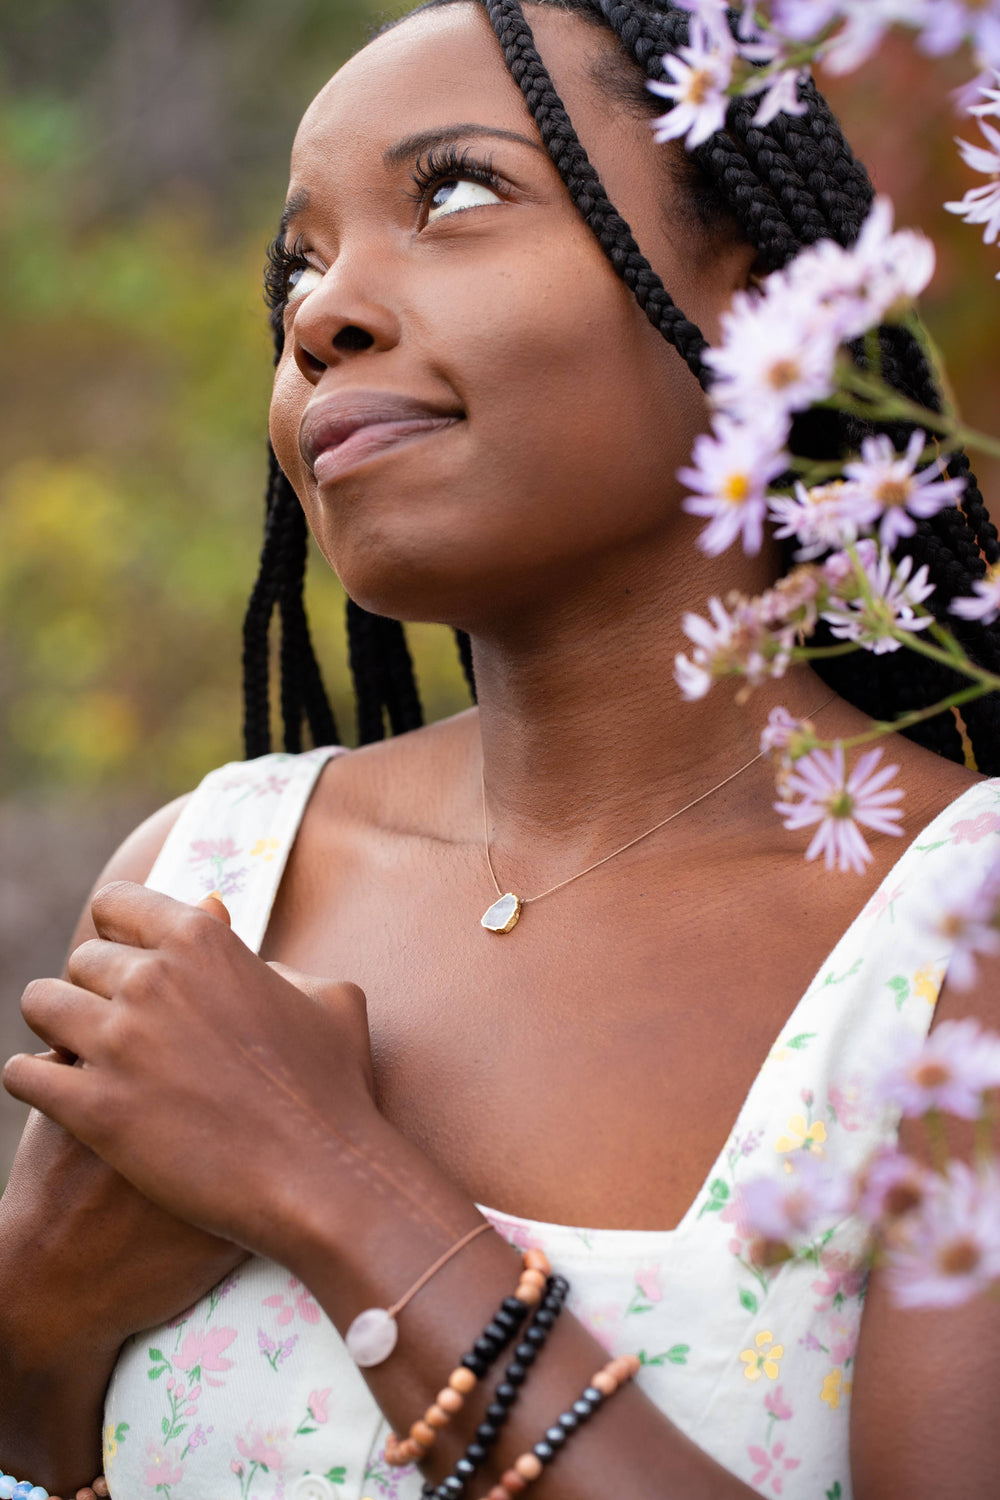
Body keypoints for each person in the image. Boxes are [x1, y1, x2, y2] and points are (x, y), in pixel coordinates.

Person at [2, 2, 999, 1497]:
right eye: (298, 264)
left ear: (755, 292)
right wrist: (36, 1316)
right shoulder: (210, 881)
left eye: (455, 195)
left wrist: (337, 1181)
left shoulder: (957, 945)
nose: (319, 314)